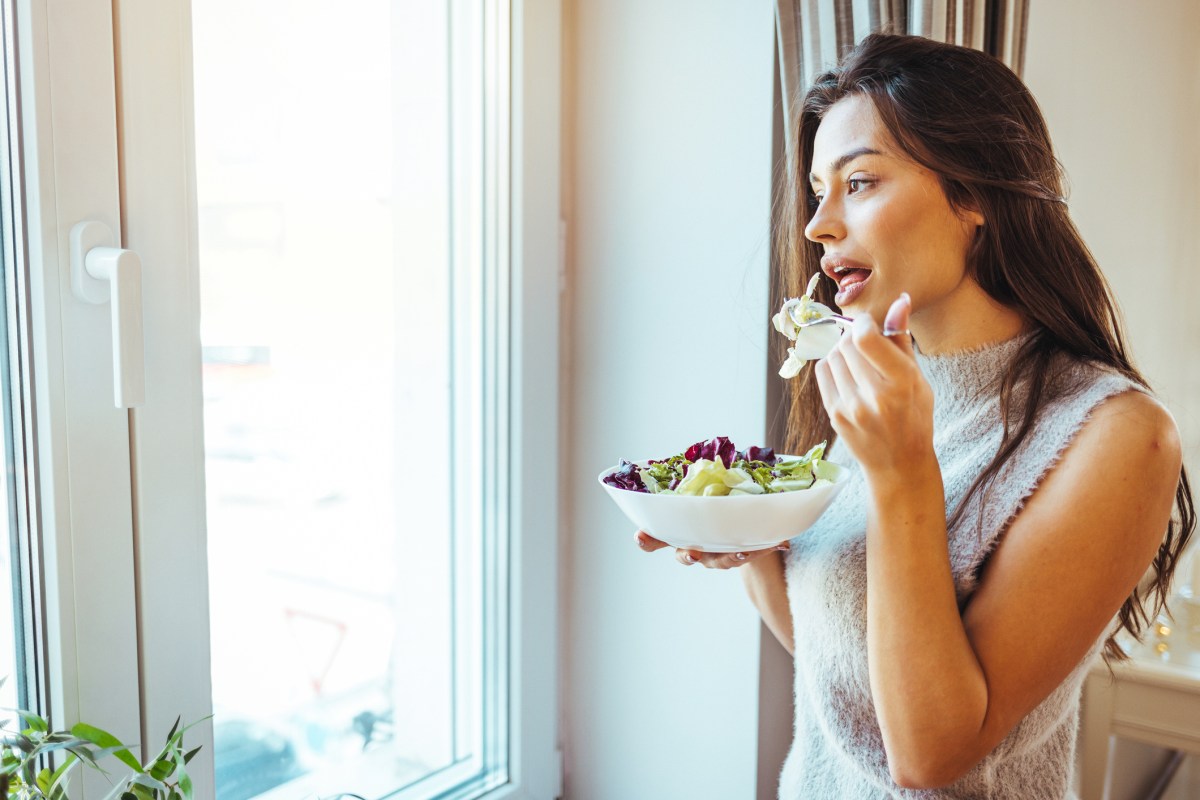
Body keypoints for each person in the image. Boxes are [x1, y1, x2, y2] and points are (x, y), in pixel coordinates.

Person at [636, 33, 1194, 798]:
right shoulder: (888, 386)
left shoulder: (1116, 436)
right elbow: (844, 672)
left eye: (859, 182)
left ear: (974, 195)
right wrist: (744, 538)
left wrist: (902, 470)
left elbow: (931, 755)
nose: (817, 226)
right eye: (817, 192)